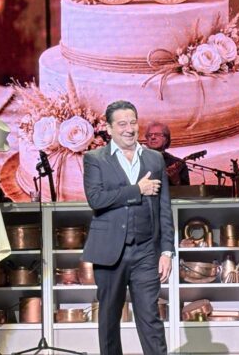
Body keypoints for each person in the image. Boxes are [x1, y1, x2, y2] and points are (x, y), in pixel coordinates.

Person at [81, 100, 175, 355]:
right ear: (109, 129)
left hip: (146, 251)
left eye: (133, 122)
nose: (129, 129)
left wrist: (166, 251)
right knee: (109, 319)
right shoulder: (94, 159)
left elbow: (164, 207)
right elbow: (96, 199)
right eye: (122, 124)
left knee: (150, 317)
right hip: (109, 252)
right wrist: (137, 190)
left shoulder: (155, 160)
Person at [144, 121, 190, 186]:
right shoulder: (138, 160)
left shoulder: (177, 163)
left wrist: (175, 180)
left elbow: (187, 192)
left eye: (157, 134)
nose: (153, 137)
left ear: (166, 139)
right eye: (149, 135)